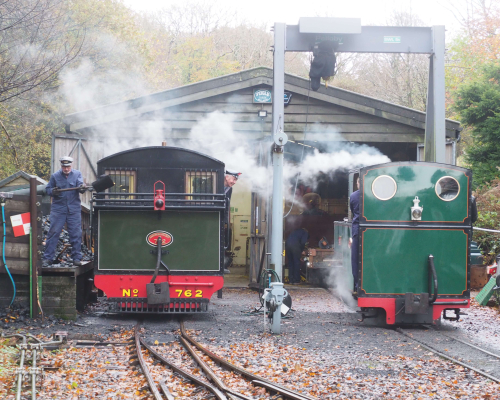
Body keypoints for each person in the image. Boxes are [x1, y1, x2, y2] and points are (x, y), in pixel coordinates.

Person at [43, 156, 86, 267]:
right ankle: (48, 258)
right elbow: (48, 189)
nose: (66, 169)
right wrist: (53, 191)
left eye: (68, 167)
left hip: (73, 209)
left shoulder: (77, 174)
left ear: (71, 166)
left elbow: (81, 186)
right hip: (58, 210)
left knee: (75, 234)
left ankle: (76, 258)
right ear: (61, 166)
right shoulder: (55, 176)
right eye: (64, 167)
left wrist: (82, 188)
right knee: (53, 233)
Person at [223, 170, 241, 273]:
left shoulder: (229, 189)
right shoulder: (215, 185)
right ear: (226, 177)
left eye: (236, 180)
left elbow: (227, 206)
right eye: (234, 179)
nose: (234, 182)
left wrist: (225, 221)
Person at [350, 177, 360, 294]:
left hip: (357, 229)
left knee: (355, 259)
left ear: (358, 183)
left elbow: (353, 211)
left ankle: (358, 285)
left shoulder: (353, 196)